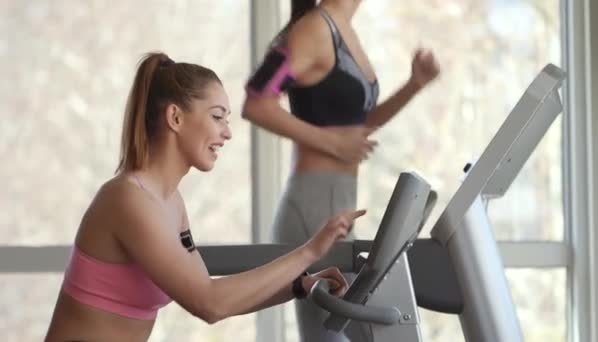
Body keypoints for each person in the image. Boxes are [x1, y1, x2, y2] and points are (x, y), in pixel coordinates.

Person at [44, 52, 366, 342]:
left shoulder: (169, 202)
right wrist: (310, 252)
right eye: (217, 117)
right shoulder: (128, 200)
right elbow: (210, 303)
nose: (227, 132)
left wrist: (299, 285)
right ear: (175, 118)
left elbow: (214, 293)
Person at [242, 0, 440, 341]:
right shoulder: (315, 29)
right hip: (313, 205)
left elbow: (355, 127)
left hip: (338, 201)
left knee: (350, 333)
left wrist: (414, 85)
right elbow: (257, 102)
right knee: (336, 335)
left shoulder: (343, 28)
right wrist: (331, 144)